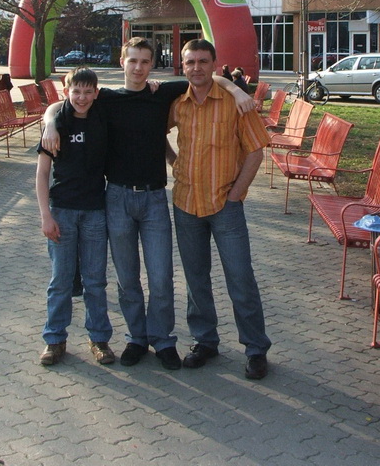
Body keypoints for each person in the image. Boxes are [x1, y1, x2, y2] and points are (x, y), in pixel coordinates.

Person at [41, 36, 253, 371]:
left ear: (152, 65)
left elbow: (205, 75)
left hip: (154, 198)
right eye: (132, 61)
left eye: (144, 61)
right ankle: (137, 338)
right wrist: (51, 122)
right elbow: (63, 103)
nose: (138, 68)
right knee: (127, 279)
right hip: (117, 198)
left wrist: (237, 90)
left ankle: (163, 340)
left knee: (161, 277)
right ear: (122, 62)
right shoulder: (106, 99)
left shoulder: (163, 93)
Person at [167, 39, 272, 380]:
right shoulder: (177, 103)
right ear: (182, 66)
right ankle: (205, 341)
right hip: (186, 203)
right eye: (190, 62)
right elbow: (154, 133)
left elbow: (256, 150)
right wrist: (174, 162)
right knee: (195, 279)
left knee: (240, 278)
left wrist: (237, 194)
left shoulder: (234, 102)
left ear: (214, 64)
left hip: (225, 204)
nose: (196, 67)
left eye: (202, 61)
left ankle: (255, 349)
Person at [36, 68, 113, 367]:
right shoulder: (57, 123)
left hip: (95, 211)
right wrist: (45, 215)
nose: (82, 97)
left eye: (88, 91)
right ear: (66, 91)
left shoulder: (101, 117)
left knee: (95, 281)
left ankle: (99, 338)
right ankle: (54, 339)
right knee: (61, 280)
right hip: (62, 212)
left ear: (96, 93)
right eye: (76, 91)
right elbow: (42, 174)